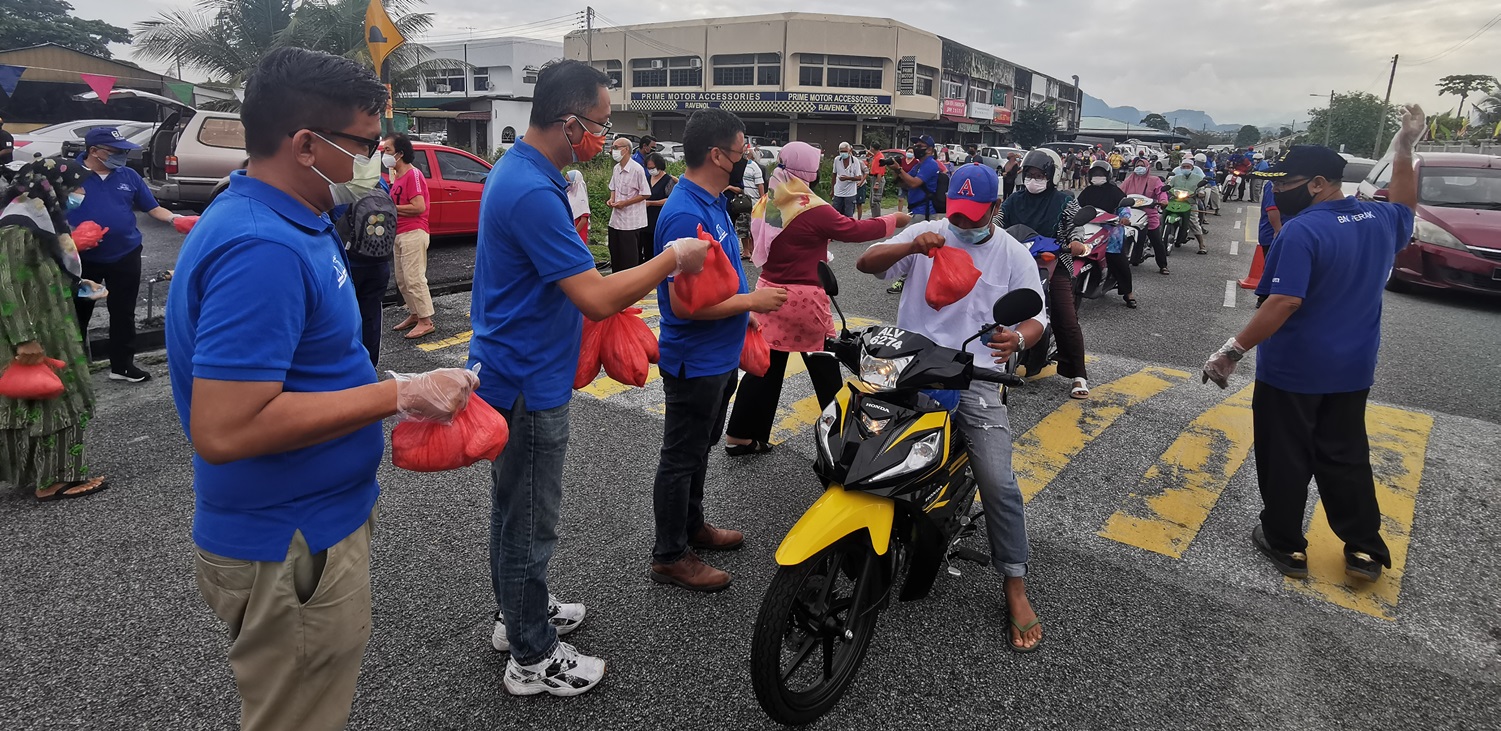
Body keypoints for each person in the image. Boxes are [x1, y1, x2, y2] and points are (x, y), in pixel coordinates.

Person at [165, 47, 479, 730]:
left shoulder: (291, 221)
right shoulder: (263, 247)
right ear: (306, 144)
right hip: (290, 543)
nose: (377, 159)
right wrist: (399, 393)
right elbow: (225, 428)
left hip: (306, 528)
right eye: (365, 143)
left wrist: (388, 385)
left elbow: (312, 365)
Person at [467, 59, 709, 696]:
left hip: (515, 366)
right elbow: (597, 298)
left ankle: (517, 614)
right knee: (529, 519)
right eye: (600, 124)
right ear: (569, 123)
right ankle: (532, 656)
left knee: (512, 508)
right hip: (527, 377)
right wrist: (670, 257)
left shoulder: (524, 173)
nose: (607, 136)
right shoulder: (530, 191)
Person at [1201, 110, 1425, 584]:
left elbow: (1283, 301)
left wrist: (1231, 351)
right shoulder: (1379, 218)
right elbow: (1406, 204)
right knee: (1345, 455)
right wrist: (1405, 147)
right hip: (1353, 370)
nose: (1277, 191)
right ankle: (1364, 549)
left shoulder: (1304, 230)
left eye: (1286, 183)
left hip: (1294, 371)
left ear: (1320, 183)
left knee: (1285, 456)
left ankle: (1286, 544)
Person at [856, 164, 1048, 652]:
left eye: (974, 215)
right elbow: (867, 264)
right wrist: (908, 246)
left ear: (996, 209)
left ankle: (1015, 584)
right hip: (908, 363)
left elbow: (1036, 320)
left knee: (999, 483)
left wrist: (1015, 339)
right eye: (957, 214)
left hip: (972, 375)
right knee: (855, 440)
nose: (962, 224)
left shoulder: (1011, 254)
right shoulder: (928, 232)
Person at [648, 108, 787, 591]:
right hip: (695, 359)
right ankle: (669, 555)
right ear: (715, 154)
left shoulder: (710, 202)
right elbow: (684, 308)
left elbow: (714, 285)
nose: (743, 157)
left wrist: (741, 310)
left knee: (699, 450)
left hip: (718, 357)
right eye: (739, 149)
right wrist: (751, 300)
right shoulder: (685, 212)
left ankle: (693, 528)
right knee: (681, 455)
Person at [724, 141, 907, 455]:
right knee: (825, 368)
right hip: (804, 300)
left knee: (764, 367)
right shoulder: (810, 206)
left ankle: (740, 435)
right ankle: (845, 439)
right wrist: (895, 221)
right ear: (806, 170)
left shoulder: (770, 200)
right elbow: (853, 229)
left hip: (768, 293)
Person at [0, 158, 109, 501]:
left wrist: (76, 283)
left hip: (49, 329)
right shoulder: (16, 228)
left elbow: (35, 276)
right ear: (51, 186)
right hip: (35, 335)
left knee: (40, 403)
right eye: (75, 186)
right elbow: (5, 283)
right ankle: (56, 480)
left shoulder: (35, 220)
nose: (78, 194)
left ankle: (43, 474)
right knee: (54, 402)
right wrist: (24, 338)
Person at [69, 127, 184, 383]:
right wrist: (72, 235)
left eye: (122, 151)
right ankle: (72, 370)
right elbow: (50, 212)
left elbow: (152, 208)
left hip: (125, 255)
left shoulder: (128, 176)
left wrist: (178, 219)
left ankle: (122, 366)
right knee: (78, 312)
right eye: (115, 151)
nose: (121, 155)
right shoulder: (70, 175)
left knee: (123, 312)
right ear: (93, 151)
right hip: (84, 260)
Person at [994, 149, 1090, 399]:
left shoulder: (1064, 201)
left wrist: (1076, 242)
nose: (1033, 180)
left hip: (1053, 262)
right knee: (989, 305)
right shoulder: (1014, 200)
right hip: (1015, 261)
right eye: (1029, 174)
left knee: (1065, 319)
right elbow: (998, 222)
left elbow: (1076, 227)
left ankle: (1078, 374)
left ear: (1052, 176)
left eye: (1039, 175)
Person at [383, 133, 436, 340]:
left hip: (414, 232)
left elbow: (419, 207)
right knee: (403, 280)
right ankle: (415, 314)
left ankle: (426, 321)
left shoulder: (412, 176)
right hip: (401, 233)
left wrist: (390, 207)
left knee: (414, 278)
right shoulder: (397, 177)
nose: (384, 154)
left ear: (400, 153)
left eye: (387, 150)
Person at [1076, 161, 1135, 308]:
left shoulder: (1114, 191)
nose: (1097, 177)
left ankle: (1128, 292)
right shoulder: (1087, 191)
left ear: (1107, 175)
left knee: (1118, 260)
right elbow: (1076, 206)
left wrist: (1125, 217)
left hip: (1111, 232)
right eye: (1095, 174)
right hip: (1089, 229)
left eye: (1101, 174)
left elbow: (1124, 206)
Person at [1120, 157, 1171, 274]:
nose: (1139, 168)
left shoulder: (1154, 180)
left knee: (1157, 241)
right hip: (1130, 213)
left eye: (1142, 166)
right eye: (1137, 166)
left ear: (1147, 167)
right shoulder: (1129, 180)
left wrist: (1163, 201)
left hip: (1149, 214)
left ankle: (1163, 265)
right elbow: (1120, 192)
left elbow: (1161, 192)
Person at [606, 136, 650, 271]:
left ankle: (630, 287)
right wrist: (611, 199)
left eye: (615, 148)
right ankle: (616, 284)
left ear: (625, 150)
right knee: (615, 254)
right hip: (616, 220)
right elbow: (613, 187)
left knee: (628, 258)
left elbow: (646, 193)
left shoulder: (637, 169)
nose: (612, 151)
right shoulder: (616, 168)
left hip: (631, 222)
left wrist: (625, 203)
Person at [1167, 161, 1209, 254]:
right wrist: (1165, 189)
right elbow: (1169, 186)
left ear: (1192, 168)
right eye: (1183, 167)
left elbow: (1201, 189)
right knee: (1161, 217)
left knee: (1194, 222)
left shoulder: (1198, 178)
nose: (1185, 168)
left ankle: (1202, 245)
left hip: (1189, 203)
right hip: (1175, 202)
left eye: (1188, 167)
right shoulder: (1176, 178)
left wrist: (1201, 192)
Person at [643, 151, 675, 256]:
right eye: (649, 168)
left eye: (653, 167)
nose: (651, 170)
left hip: (659, 218)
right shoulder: (647, 179)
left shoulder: (668, 180)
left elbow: (670, 200)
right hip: (644, 220)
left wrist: (651, 203)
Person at [735, 147, 764, 259]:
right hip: (741, 201)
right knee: (742, 227)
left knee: (753, 229)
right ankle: (746, 251)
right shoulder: (738, 165)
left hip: (754, 201)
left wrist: (762, 200)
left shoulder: (754, 167)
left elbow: (760, 184)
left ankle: (754, 252)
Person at [831, 142, 864, 218]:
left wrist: (848, 178)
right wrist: (832, 189)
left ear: (850, 150)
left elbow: (859, 177)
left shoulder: (855, 161)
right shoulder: (837, 160)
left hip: (850, 194)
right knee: (836, 216)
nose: (843, 153)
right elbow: (834, 174)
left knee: (849, 216)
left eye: (845, 151)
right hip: (838, 193)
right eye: (841, 151)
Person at [565, 169, 590, 244]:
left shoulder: (582, 199)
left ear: (575, 182)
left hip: (578, 235)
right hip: (569, 232)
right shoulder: (569, 195)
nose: (567, 183)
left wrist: (573, 234)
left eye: (568, 180)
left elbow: (583, 220)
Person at [867, 148, 886, 218]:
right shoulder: (876, 156)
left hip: (878, 178)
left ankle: (877, 218)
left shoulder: (880, 157)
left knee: (876, 199)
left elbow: (880, 172)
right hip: (874, 178)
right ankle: (874, 216)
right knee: (872, 200)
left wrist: (877, 183)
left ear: (872, 148)